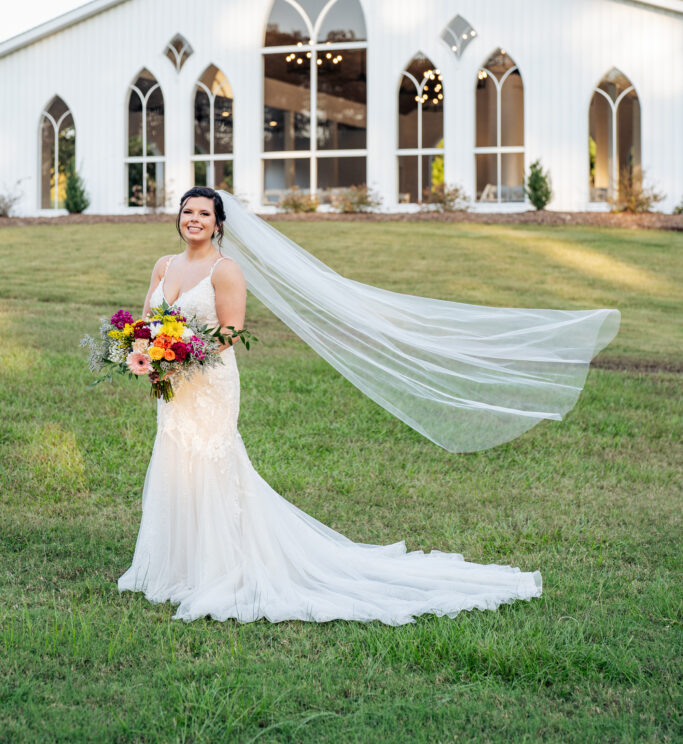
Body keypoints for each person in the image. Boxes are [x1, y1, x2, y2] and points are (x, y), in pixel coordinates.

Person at [118, 186, 549, 624]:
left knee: (212, 462)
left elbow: (231, 330)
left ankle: (220, 566)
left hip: (209, 382)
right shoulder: (164, 265)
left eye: (203, 214)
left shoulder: (225, 270)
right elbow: (145, 322)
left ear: (218, 223)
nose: (193, 219)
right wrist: (148, 351)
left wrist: (184, 351)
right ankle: (177, 565)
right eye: (187, 211)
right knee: (176, 459)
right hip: (172, 386)